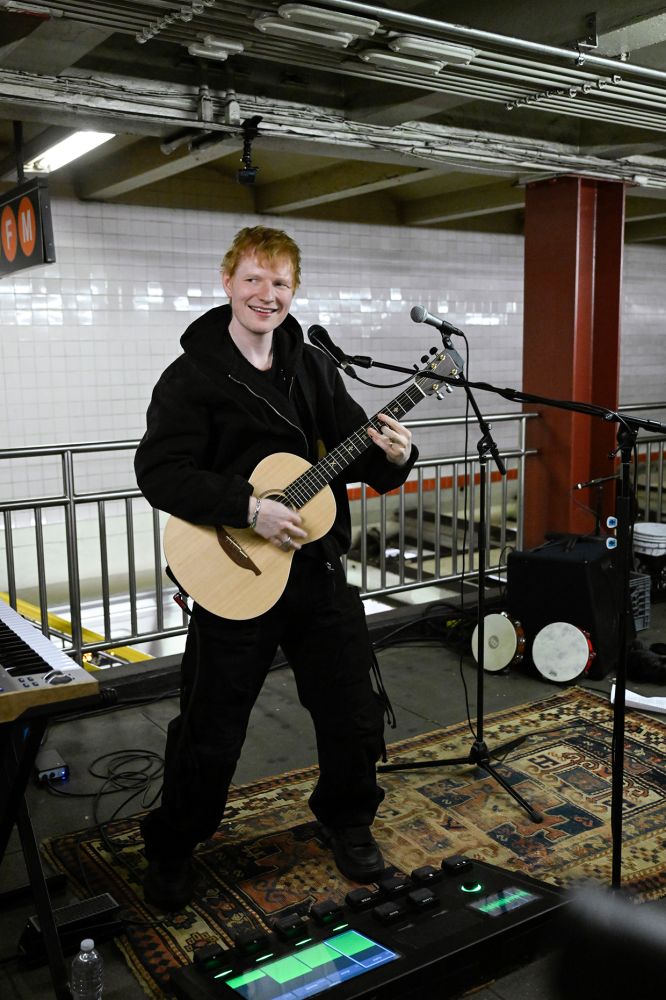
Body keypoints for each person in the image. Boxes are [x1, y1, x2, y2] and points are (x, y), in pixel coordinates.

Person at [134, 225, 417, 910]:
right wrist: (246, 506)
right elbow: (160, 471)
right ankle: (174, 844)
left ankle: (348, 819)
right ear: (228, 283)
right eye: (255, 279)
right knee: (211, 724)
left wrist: (396, 457)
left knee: (352, 710)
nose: (267, 294)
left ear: (295, 291)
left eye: (281, 283)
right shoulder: (193, 375)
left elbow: (358, 447)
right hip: (235, 573)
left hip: (315, 572)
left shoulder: (313, 365)